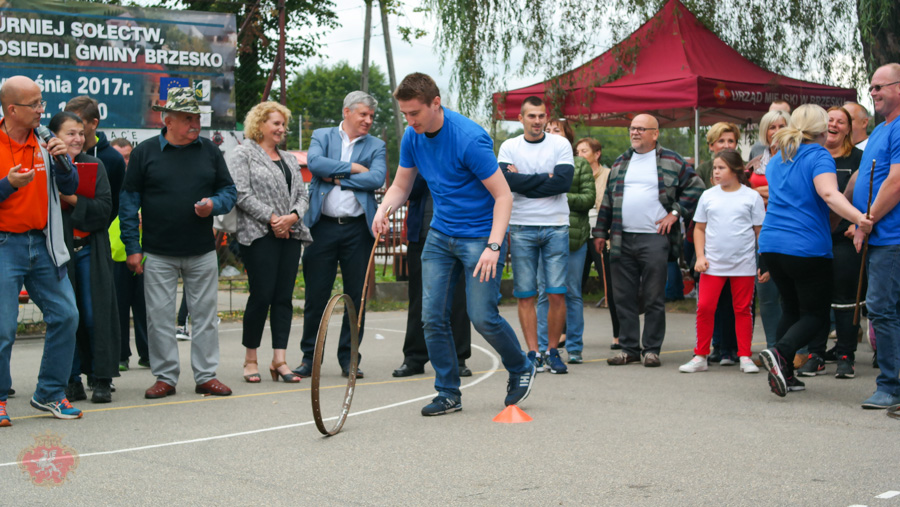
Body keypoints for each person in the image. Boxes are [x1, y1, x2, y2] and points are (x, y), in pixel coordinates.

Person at [374, 72, 534, 416]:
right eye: (404, 114)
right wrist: (383, 210)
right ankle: (448, 392)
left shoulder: (468, 139)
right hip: (440, 234)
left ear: (436, 103)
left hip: (480, 237)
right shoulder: (412, 136)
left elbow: (503, 195)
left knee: (482, 317)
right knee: (432, 317)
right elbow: (401, 186)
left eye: (415, 113)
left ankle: (521, 366)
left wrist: (494, 246)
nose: (409, 121)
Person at [120, 87, 237, 399]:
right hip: (157, 252)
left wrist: (214, 204)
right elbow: (128, 204)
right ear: (167, 121)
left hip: (201, 251)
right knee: (159, 318)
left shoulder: (210, 151)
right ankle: (165, 378)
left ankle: (206, 376)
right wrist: (132, 247)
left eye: (197, 118)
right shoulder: (144, 153)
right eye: (187, 119)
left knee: (205, 318)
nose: (195, 124)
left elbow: (229, 191)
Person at [757, 104, 872, 398]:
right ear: (821, 128)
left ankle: (785, 373)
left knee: (791, 308)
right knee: (817, 315)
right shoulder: (819, 155)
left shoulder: (779, 158)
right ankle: (780, 352)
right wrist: (859, 218)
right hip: (804, 246)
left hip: (772, 244)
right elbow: (829, 193)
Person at [0, 75, 82, 425]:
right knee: (3, 328)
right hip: (5, 244)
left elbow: (71, 185)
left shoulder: (45, 139)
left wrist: (63, 161)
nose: (40, 109)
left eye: (41, 102)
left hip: (44, 242)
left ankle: (49, 393)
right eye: (33, 104)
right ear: (11, 109)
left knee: (66, 315)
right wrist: (7, 185)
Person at [592, 114, 704, 367]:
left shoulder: (672, 160)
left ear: (655, 134)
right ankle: (629, 348)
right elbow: (608, 200)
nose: (635, 132)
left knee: (654, 296)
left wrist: (675, 213)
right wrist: (600, 232)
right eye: (632, 128)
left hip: (655, 238)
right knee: (623, 296)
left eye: (641, 129)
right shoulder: (621, 161)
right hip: (621, 237)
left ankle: (651, 350)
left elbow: (696, 186)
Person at [294, 91, 386, 380]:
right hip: (322, 227)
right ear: (347, 112)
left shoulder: (377, 145)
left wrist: (336, 178)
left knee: (356, 298)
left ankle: (350, 359)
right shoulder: (322, 135)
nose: (368, 120)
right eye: (363, 114)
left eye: (371, 116)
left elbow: (376, 178)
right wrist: (354, 169)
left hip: (358, 230)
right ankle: (310, 358)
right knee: (316, 296)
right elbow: (315, 164)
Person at [229, 101, 311, 383]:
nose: (281, 129)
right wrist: (274, 219)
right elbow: (241, 193)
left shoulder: (289, 158)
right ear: (259, 124)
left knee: (283, 298)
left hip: (291, 233)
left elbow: (303, 195)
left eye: (283, 124)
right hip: (258, 234)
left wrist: (292, 217)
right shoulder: (243, 154)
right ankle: (250, 359)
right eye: (276, 123)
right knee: (261, 295)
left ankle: (280, 360)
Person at [498, 97, 574, 374]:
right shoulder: (510, 146)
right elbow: (506, 181)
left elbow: (564, 182)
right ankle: (533, 353)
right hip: (521, 226)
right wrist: (546, 178)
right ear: (521, 118)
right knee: (525, 294)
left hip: (556, 225)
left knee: (556, 293)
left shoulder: (560, 144)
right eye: (532, 116)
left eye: (541, 116)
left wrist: (525, 183)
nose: (538, 121)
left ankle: (553, 351)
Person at [51, 112, 121, 403]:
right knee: (68, 317)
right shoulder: (45, 166)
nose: (78, 138)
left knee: (94, 316)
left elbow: (104, 210)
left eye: (81, 133)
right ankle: (71, 380)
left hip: (91, 250)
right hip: (59, 252)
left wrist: (70, 199)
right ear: (54, 137)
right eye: (70, 133)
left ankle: (101, 377)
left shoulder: (95, 165)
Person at [679, 150, 764, 374]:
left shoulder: (751, 197)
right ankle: (700, 356)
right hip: (713, 265)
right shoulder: (708, 196)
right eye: (715, 168)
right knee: (705, 308)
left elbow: (759, 232)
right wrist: (700, 256)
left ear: (735, 170)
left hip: (743, 265)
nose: (715, 172)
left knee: (742, 310)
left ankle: (744, 356)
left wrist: (763, 261)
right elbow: (699, 228)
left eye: (721, 168)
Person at [797, 106, 863, 378]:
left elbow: (868, 192)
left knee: (846, 300)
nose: (834, 125)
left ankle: (846, 355)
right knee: (816, 299)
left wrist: (857, 223)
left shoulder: (858, 158)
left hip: (844, 239)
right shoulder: (809, 155)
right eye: (830, 120)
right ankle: (816, 355)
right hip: (813, 237)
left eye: (841, 121)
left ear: (849, 129)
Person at [852, 63, 900, 409]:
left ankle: (891, 386)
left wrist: (866, 220)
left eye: (880, 86)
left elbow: (895, 182)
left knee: (882, 310)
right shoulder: (882, 130)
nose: (873, 92)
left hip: (891, 236)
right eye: (871, 87)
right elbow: (864, 178)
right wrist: (854, 220)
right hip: (879, 235)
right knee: (884, 310)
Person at [393, 174, 473, 378]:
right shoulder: (418, 159)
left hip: (458, 235)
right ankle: (414, 358)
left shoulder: (459, 157)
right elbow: (409, 190)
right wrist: (428, 169)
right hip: (422, 234)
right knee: (419, 299)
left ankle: (458, 358)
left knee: (458, 299)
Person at [535, 120, 595, 364]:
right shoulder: (537, 161)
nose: (550, 133)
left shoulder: (580, 164)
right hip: (542, 236)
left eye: (556, 130)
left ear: (567, 136)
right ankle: (542, 348)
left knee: (572, 292)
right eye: (547, 130)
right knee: (543, 293)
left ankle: (575, 347)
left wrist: (557, 193)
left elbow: (588, 199)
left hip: (573, 238)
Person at [695, 122, 742, 365]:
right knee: (711, 301)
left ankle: (733, 347)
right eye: (721, 141)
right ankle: (716, 344)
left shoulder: (741, 168)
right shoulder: (703, 170)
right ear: (712, 145)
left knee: (736, 302)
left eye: (730, 141)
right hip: (710, 243)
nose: (726, 145)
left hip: (738, 246)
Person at [746, 110, 791, 351]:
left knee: (789, 292)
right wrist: (762, 194)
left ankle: (795, 348)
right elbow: (744, 191)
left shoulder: (794, 158)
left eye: (782, 126)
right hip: (758, 231)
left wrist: (757, 193)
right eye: (772, 127)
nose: (777, 131)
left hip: (787, 228)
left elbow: (786, 192)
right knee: (766, 294)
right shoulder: (755, 161)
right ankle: (774, 347)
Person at [577, 137, 621, 349]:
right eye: (577, 151)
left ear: (597, 154)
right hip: (579, 234)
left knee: (611, 286)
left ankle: (618, 335)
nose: (580, 155)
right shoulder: (574, 175)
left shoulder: (609, 175)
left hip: (602, 235)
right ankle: (566, 333)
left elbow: (609, 204)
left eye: (584, 151)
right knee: (574, 285)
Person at [65, 96, 126, 225]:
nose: (72, 127)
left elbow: (115, 203)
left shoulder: (114, 159)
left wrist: (96, 229)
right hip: (62, 232)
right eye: (68, 121)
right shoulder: (59, 153)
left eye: (78, 122)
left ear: (94, 123)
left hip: (95, 233)